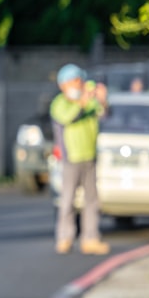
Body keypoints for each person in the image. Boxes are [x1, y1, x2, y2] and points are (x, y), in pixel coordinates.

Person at [50, 64, 110, 255]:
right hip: (71, 158)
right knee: (67, 200)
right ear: (63, 84)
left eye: (80, 80)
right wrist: (82, 102)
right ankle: (64, 237)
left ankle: (90, 238)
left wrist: (102, 99)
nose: (80, 84)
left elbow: (104, 113)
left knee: (91, 200)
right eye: (75, 81)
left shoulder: (88, 100)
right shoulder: (59, 103)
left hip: (89, 156)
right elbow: (68, 117)